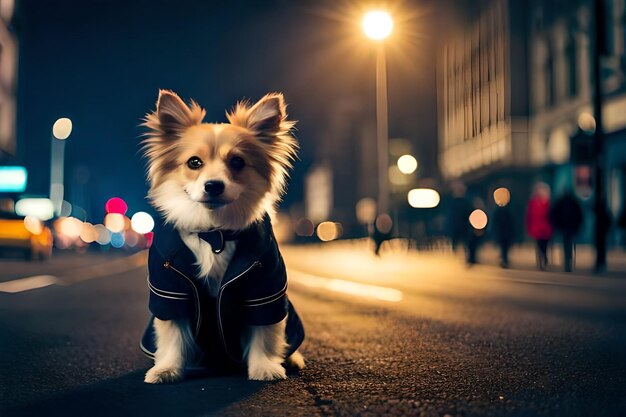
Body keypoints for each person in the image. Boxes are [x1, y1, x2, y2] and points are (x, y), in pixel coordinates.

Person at [550, 192, 584, 272]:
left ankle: (567, 261)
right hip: (570, 227)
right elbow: (579, 215)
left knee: (566, 245)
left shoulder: (560, 203)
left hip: (565, 227)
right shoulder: (574, 203)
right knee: (570, 244)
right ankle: (569, 260)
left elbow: (554, 214)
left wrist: (557, 225)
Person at [526, 183, 553, 270]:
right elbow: (529, 216)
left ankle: (544, 259)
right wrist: (529, 227)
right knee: (539, 245)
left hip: (546, 228)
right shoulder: (533, 203)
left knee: (544, 245)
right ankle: (541, 262)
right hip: (537, 228)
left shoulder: (548, 203)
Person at [446, 182, 473, 259]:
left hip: (462, 225)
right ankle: (464, 254)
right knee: (462, 241)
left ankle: (466, 255)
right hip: (460, 225)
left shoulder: (463, 202)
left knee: (464, 241)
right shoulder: (463, 202)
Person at [491, 200, 515, 268]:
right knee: (504, 248)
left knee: (503, 247)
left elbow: (494, 223)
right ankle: (504, 260)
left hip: (501, 232)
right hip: (505, 232)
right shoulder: (509, 211)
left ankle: (504, 259)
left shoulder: (498, 211)